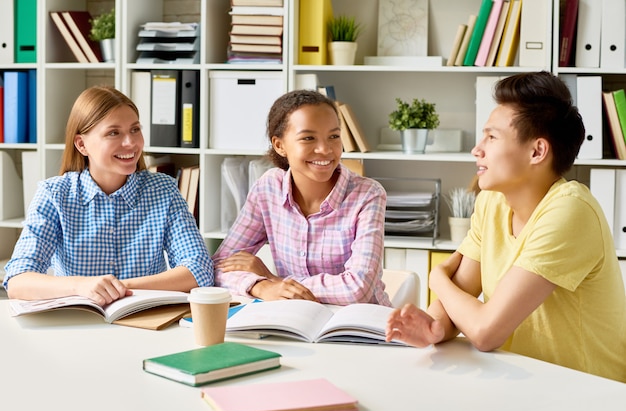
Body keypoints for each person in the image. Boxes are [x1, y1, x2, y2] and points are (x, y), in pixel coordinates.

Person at [386, 71, 626, 383]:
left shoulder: (570, 210)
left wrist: (436, 277)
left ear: (537, 151)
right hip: (518, 380)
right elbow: (460, 292)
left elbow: (486, 332)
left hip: (586, 392)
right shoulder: (492, 202)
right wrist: (434, 327)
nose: (477, 149)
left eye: (491, 137)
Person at [3, 86, 213, 306]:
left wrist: (120, 288)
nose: (130, 143)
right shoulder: (55, 195)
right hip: (79, 323)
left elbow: (199, 269)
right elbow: (18, 280)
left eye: (135, 129)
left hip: (145, 323)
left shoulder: (163, 190)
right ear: (82, 144)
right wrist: (81, 286)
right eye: (114, 133)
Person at [213, 89, 390, 306]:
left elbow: (357, 289)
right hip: (295, 322)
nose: (325, 149)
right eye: (308, 138)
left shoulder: (368, 195)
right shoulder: (268, 188)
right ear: (279, 145)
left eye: (334, 136)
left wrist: (275, 279)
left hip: (359, 327)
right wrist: (262, 286)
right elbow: (220, 266)